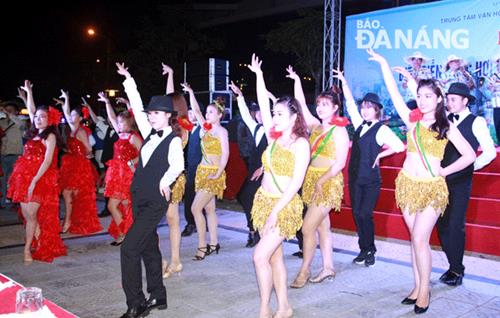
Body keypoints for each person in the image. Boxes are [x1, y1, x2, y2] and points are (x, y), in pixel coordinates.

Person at [368, 48, 476, 314]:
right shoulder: (412, 120)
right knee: (416, 241)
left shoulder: (445, 126)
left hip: (431, 189)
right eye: (419, 96)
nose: (423, 100)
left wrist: (444, 172)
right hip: (407, 185)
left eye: (429, 96)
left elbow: (470, 155)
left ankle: (425, 292)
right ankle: (417, 286)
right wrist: (383, 63)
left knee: (419, 238)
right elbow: (394, 92)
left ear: (439, 99)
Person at [118, 62, 184, 318]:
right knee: (148, 247)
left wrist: (165, 181)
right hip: (139, 197)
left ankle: (136, 303)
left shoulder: (173, 139)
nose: (151, 116)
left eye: (156, 113)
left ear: (168, 115)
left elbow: (178, 165)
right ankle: (158, 294)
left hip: (155, 201)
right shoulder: (149, 133)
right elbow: (135, 102)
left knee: (129, 248)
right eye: (150, 113)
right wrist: (129, 79)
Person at [248, 54, 309, 318]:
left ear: (295, 117)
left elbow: (296, 182)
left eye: (281, 114)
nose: (275, 117)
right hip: (263, 201)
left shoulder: (301, 144)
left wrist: (276, 210)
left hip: (284, 207)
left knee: (259, 256)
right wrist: (259, 76)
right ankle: (284, 307)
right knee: (273, 257)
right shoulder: (273, 139)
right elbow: (263, 99)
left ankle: (264, 308)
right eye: (274, 113)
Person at [285, 65, 349, 288]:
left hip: (328, 182)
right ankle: (328, 267)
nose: (320, 108)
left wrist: (321, 180)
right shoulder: (315, 126)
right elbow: (301, 104)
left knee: (307, 228)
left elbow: (340, 163)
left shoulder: (340, 131)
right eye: (319, 104)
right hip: (312, 180)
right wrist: (296, 80)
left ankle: (304, 270)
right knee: (322, 227)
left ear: (335, 108)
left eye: (325, 105)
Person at [334, 70, 405, 267]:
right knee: (357, 213)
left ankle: (371, 249)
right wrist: (344, 84)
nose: (365, 111)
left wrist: (380, 155)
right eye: (363, 107)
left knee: (366, 213)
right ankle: (362, 249)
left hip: (372, 180)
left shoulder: (381, 129)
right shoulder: (358, 124)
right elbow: (349, 105)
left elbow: (399, 146)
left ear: (377, 110)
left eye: (369, 108)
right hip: (355, 177)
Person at [437, 82, 496, 286]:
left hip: (461, 182)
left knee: (455, 224)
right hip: (440, 180)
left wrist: (469, 167)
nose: (449, 102)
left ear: (465, 101)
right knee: (441, 225)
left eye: (453, 99)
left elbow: (489, 152)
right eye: (448, 99)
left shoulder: (476, 121)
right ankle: (452, 264)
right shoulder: (443, 120)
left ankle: (457, 269)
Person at [8, 80, 66, 263]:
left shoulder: (49, 136)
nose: (38, 119)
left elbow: (48, 161)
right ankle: (39, 242)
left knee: (32, 216)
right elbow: (32, 110)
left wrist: (34, 181)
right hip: (23, 177)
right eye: (37, 117)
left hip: (40, 179)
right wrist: (29, 93)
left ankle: (27, 250)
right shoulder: (34, 133)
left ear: (50, 120)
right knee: (29, 216)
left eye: (43, 117)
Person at [181, 82, 229, 261]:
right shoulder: (205, 128)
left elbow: (225, 154)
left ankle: (202, 246)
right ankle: (214, 243)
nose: (207, 115)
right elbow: (197, 111)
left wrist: (218, 173)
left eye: (211, 112)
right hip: (202, 172)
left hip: (213, 174)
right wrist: (191, 91)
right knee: (209, 209)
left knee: (195, 208)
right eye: (207, 112)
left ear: (219, 115)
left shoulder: (221, 132)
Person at [97, 92, 142, 246]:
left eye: (122, 122)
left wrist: (131, 162)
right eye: (119, 122)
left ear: (129, 123)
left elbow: (145, 155)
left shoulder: (133, 137)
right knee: (115, 206)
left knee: (123, 206)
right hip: (117, 176)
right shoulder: (120, 134)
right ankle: (125, 233)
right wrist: (107, 102)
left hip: (128, 175)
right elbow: (111, 117)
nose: (119, 124)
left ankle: (126, 234)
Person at [161, 63, 191, 278]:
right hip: (166, 177)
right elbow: (169, 96)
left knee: (170, 221)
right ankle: (173, 261)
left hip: (171, 178)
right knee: (171, 221)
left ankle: (171, 261)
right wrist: (170, 74)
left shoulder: (181, 128)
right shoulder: (176, 123)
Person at [230, 81, 268, 248]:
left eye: (262, 112)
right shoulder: (257, 128)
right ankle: (255, 230)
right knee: (245, 196)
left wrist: (265, 167)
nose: (259, 115)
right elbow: (245, 115)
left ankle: (257, 231)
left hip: (268, 172)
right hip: (254, 170)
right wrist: (240, 97)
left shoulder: (276, 131)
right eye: (257, 113)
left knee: (248, 196)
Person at [58, 90, 102, 235]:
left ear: (81, 117)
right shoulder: (72, 129)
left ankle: (71, 221)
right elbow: (66, 112)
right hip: (70, 165)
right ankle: (68, 220)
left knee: (75, 195)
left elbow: (89, 148)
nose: (70, 117)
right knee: (66, 193)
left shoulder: (81, 131)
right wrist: (67, 99)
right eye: (71, 115)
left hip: (79, 166)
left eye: (74, 115)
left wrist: (85, 155)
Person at [0, 99, 25, 209]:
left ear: (15, 112)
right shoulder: (2, 122)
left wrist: (10, 115)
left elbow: (22, 126)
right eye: (7, 109)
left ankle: (15, 202)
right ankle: (3, 202)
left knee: (15, 180)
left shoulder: (20, 121)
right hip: (3, 154)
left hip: (16, 154)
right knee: (3, 180)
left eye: (11, 110)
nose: (8, 111)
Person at [181, 108, 200, 237]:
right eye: (189, 113)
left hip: (203, 168)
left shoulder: (205, 128)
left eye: (193, 112)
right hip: (191, 167)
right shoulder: (189, 128)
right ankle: (191, 223)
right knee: (189, 195)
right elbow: (179, 118)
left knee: (204, 199)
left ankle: (198, 223)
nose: (190, 115)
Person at [487, 54, 500, 144]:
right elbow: (490, 88)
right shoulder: (494, 76)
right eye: (498, 64)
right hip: (496, 104)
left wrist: (497, 86)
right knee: (497, 125)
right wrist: (492, 86)